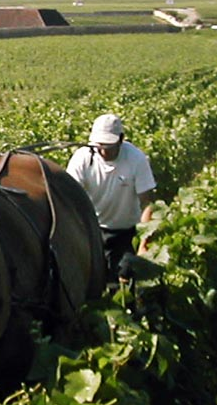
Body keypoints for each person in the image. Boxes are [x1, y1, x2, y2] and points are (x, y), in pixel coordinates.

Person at [66, 113, 156, 282]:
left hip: (126, 231)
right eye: (99, 145)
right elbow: (70, 197)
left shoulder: (136, 159)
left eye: (108, 145)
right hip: (94, 229)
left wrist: (144, 245)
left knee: (126, 279)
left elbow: (147, 204)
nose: (102, 151)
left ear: (121, 140)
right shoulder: (83, 158)